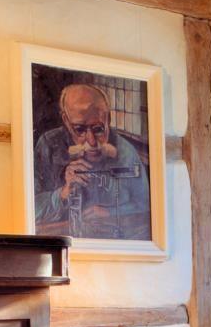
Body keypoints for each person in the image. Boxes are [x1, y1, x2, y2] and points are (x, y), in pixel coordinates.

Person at [33, 83, 150, 239]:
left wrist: (110, 212)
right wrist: (64, 192)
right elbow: (29, 211)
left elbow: (146, 207)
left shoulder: (125, 152)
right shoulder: (49, 145)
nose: (92, 142)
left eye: (98, 129)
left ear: (108, 119)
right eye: (79, 129)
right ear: (66, 120)